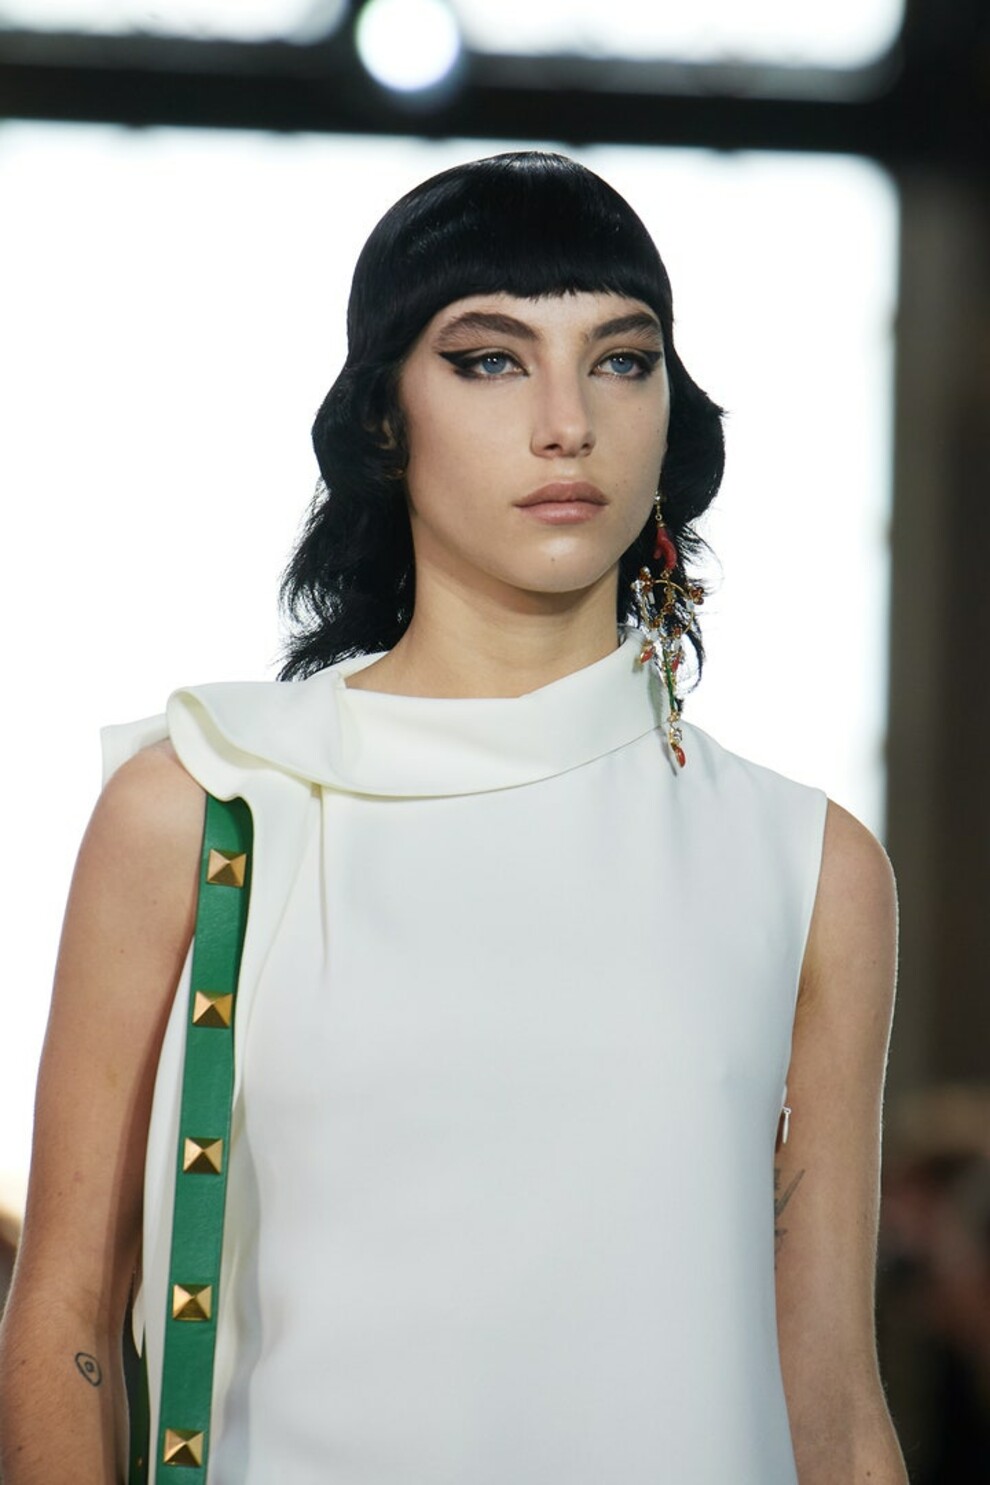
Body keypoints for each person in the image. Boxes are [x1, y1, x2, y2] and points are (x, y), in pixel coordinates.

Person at [0, 151, 906, 1483]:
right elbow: (66, 1312)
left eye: (621, 360)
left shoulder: (804, 863)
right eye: (490, 360)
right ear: (384, 418)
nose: (566, 422)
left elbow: (829, 1395)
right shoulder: (214, 800)